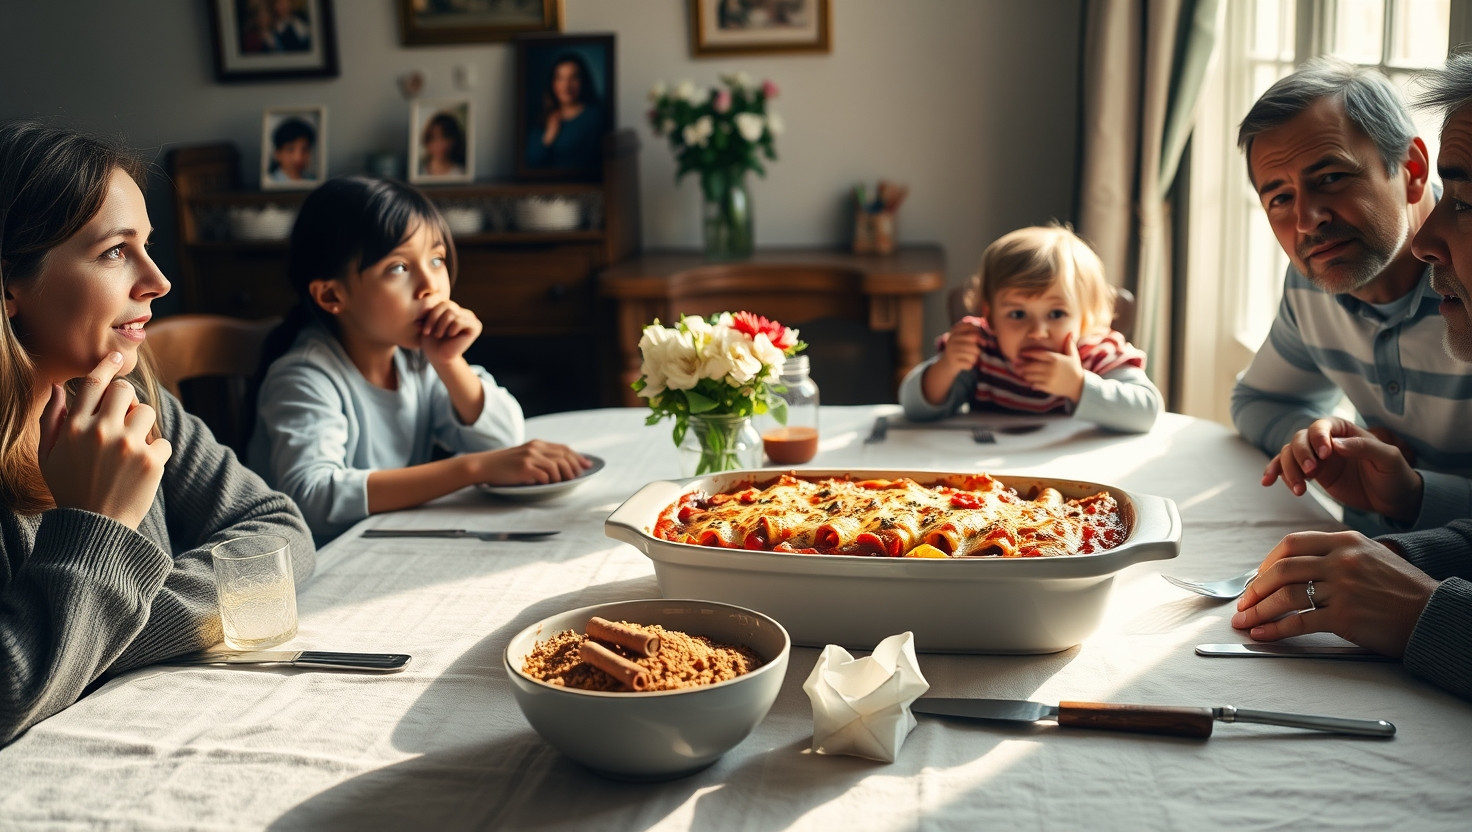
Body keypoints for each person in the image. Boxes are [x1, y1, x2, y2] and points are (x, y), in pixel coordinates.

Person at [0, 121, 316, 745]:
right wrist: (102, 528)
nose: (158, 280)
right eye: (115, 251)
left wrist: (94, 633)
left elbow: (280, 531)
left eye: (147, 244)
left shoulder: (138, 400)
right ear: (10, 283)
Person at [1232, 55, 1472, 703]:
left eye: (1331, 178)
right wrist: (1320, 438)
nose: (1307, 220)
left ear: (1413, 171)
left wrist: (1420, 500)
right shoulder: (1313, 285)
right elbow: (1256, 400)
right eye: (1279, 197)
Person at [248, 176, 589, 543]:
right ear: (332, 295)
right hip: (319, 566)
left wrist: (449, 362)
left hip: (385, 543)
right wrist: (470, 469)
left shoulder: (416, 359)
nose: (430, 284)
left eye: (437, 259)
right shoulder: (304, 376)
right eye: (399, 268)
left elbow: (502, 443)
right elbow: (311, 496)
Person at [898, 223, 1161, 433]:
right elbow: (913, 409)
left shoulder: (1095, 353)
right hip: (989, 483)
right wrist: (948, 365)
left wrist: (1077, 385)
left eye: (1056, 313)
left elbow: (1147, 412)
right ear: (990, 316)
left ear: (1083, 319)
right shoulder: (982, 351)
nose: (1037, 331)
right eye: (1017, 314)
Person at [525, 52, 605, 171]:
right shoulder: (543, 117)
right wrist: (548, 137)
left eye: (573, 78)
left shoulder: (595, 117)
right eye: (560, 78)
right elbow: (530, 162)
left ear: (582, 81)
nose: (566, 86)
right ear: (553, 83)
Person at [418, 111, 466, 178]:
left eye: (444, 137)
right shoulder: (419, 171)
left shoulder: (461, 173)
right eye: (433, 138)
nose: (439, 144)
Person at [268, 117, 316, 184]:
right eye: (290, 149)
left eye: (304, 150)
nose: (297, 158)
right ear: (277, 153)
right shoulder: (270, 182)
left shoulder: (313, 181)